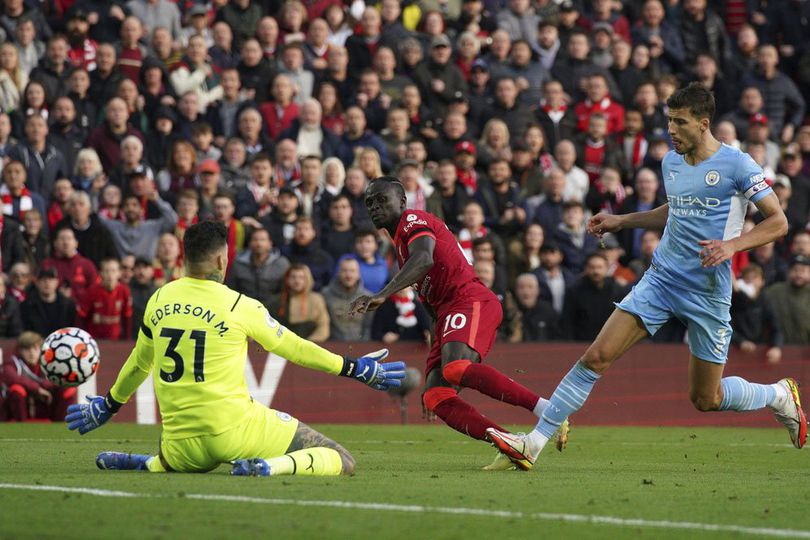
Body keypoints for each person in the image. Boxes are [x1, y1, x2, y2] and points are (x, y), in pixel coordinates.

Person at [485, 83, 805, 471]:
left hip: (707, 290)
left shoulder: (737, 165)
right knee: (596, 356)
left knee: (707, 398)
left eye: (680, 122)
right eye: (669, 121)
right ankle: (533, 443)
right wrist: (623, 220)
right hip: (662, 279)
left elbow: (779, 222)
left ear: (704, 124)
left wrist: (733, 246)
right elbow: (676, 209)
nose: (671, 130)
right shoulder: (671, 162)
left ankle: (777, 396)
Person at [65, 221, 405, 476]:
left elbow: (140, 362)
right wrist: (353, 367)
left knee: (177, 455)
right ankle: (270, 468)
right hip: (235, 433)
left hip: (180, 444)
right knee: (341, 459)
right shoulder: (240, 305)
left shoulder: (159, 298)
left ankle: (150, 464)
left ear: (184, 258)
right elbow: (294, 347)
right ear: (220, 260)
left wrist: (109, 406)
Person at [350, 176, 568, 470]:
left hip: (470, 299)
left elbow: (425, 259)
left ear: (402, 202)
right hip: (447, 313)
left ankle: (549, 410)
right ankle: (514, 445)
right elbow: (430, 300)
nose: (374, 207)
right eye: (369, 203)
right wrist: (434, 355)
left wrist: (382, 295)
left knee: (455, 369)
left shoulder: (413, 219)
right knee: (436, 395)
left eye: (381, 200)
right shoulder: (400, 245)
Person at [3, 331, 76, 422]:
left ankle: (60, 425)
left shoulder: (49, 362)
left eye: (35, 349)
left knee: (68, 388)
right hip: (21, 406)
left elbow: (61, 378)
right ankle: (21, 426)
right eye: (27, 349)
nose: (32, 353)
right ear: (20, 351)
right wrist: (36, 389)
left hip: (45, 402)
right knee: (17, 389)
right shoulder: (12, 361)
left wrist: (45, 385)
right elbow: (11, 377)